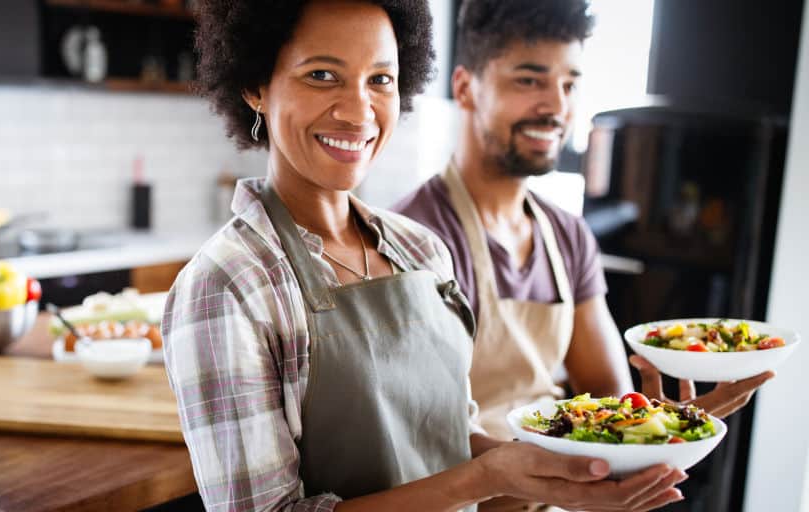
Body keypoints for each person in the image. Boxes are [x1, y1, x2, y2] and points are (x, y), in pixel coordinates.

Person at [162, 1, 686, 511]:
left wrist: (581, 470)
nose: (358, 111)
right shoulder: (227, 283)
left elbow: (451, 436)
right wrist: (482, 478)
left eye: (380, 79)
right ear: (256, 86)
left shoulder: (421, 250)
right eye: (322, 75)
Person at [393, 2, 773, 508]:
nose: (556, 106)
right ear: (465, 87)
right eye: (529, 81)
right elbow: (418, 434)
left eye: (569, 84)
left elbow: (609, 397)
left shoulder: (568, 237)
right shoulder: (415, 238)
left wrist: (659, 424)